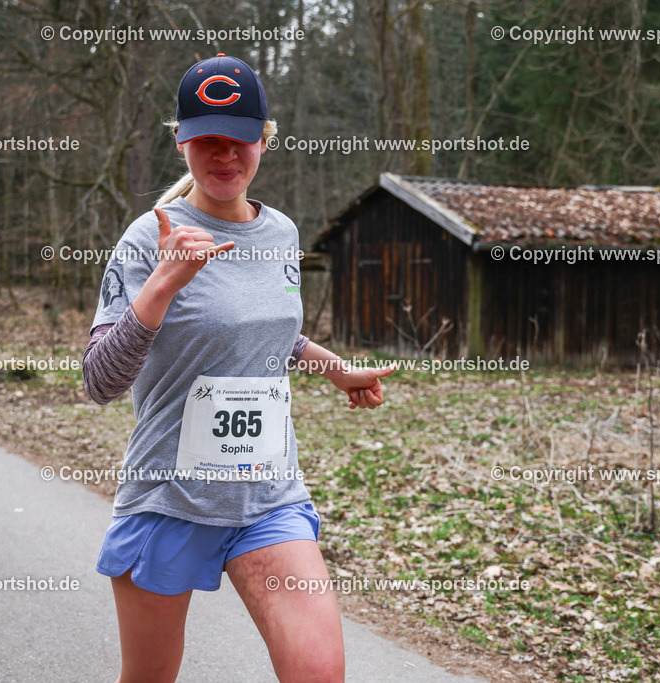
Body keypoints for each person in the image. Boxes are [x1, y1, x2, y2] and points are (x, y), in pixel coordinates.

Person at [83, 54, 395, 682]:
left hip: (268, 496)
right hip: (168, 497)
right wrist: (161, 288)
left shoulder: (280, 232)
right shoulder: (149, 239)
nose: (225, 156)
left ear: (264, 140)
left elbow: (265, 331)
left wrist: (332, 367)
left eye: (241, 141)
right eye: (208, 140)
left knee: (319, 675)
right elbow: (99, 382)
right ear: (181, 140)